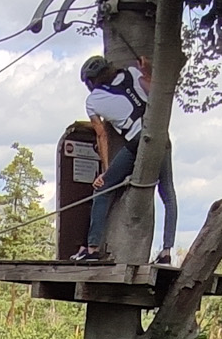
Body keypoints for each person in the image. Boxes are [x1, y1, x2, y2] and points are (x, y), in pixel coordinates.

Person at [73, 53, 177, 265]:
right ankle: (166, 251)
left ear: (91, 82)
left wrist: (106, 170)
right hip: (160, 137)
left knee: (102, 189)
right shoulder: (132, 73)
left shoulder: (92, 101)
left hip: (136, 141)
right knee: (167, 193)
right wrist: (147, 70)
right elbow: (157, 92)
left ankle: (92, 248)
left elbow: (101, 134)